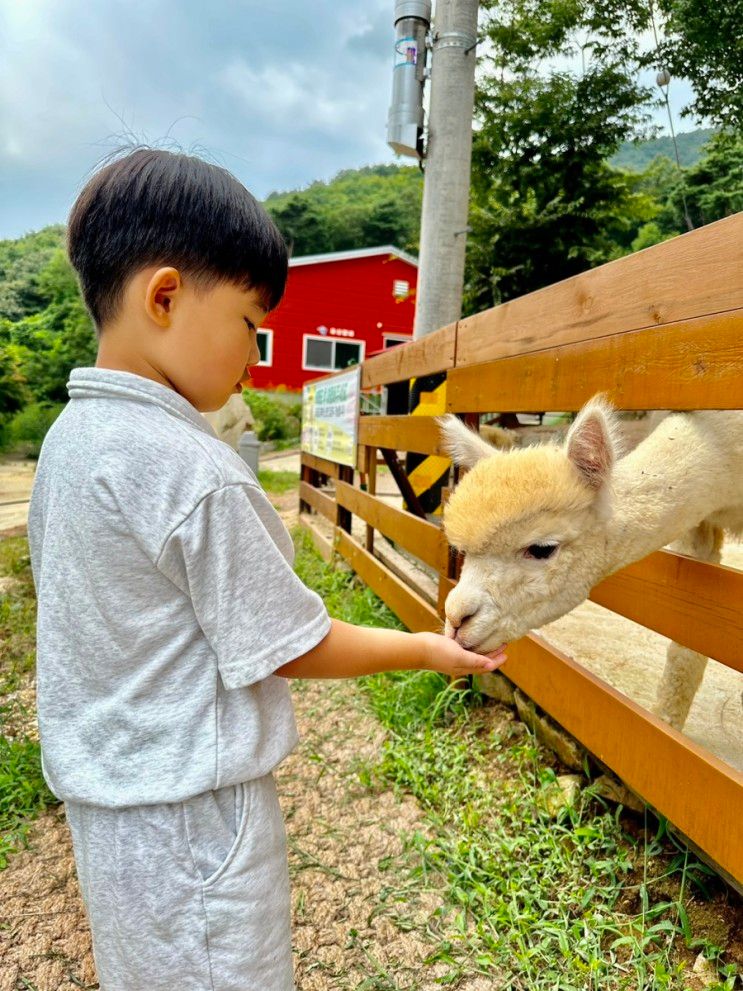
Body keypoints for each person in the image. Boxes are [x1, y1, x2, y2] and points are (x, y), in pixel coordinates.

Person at [27, 147, 507, 991]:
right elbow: (290, 642)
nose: (256, 353)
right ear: (165, 296)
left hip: (107, 812)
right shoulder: (195, 469)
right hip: (196, 819)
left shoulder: (69, 442)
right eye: (252, 323)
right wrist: (424, 650)